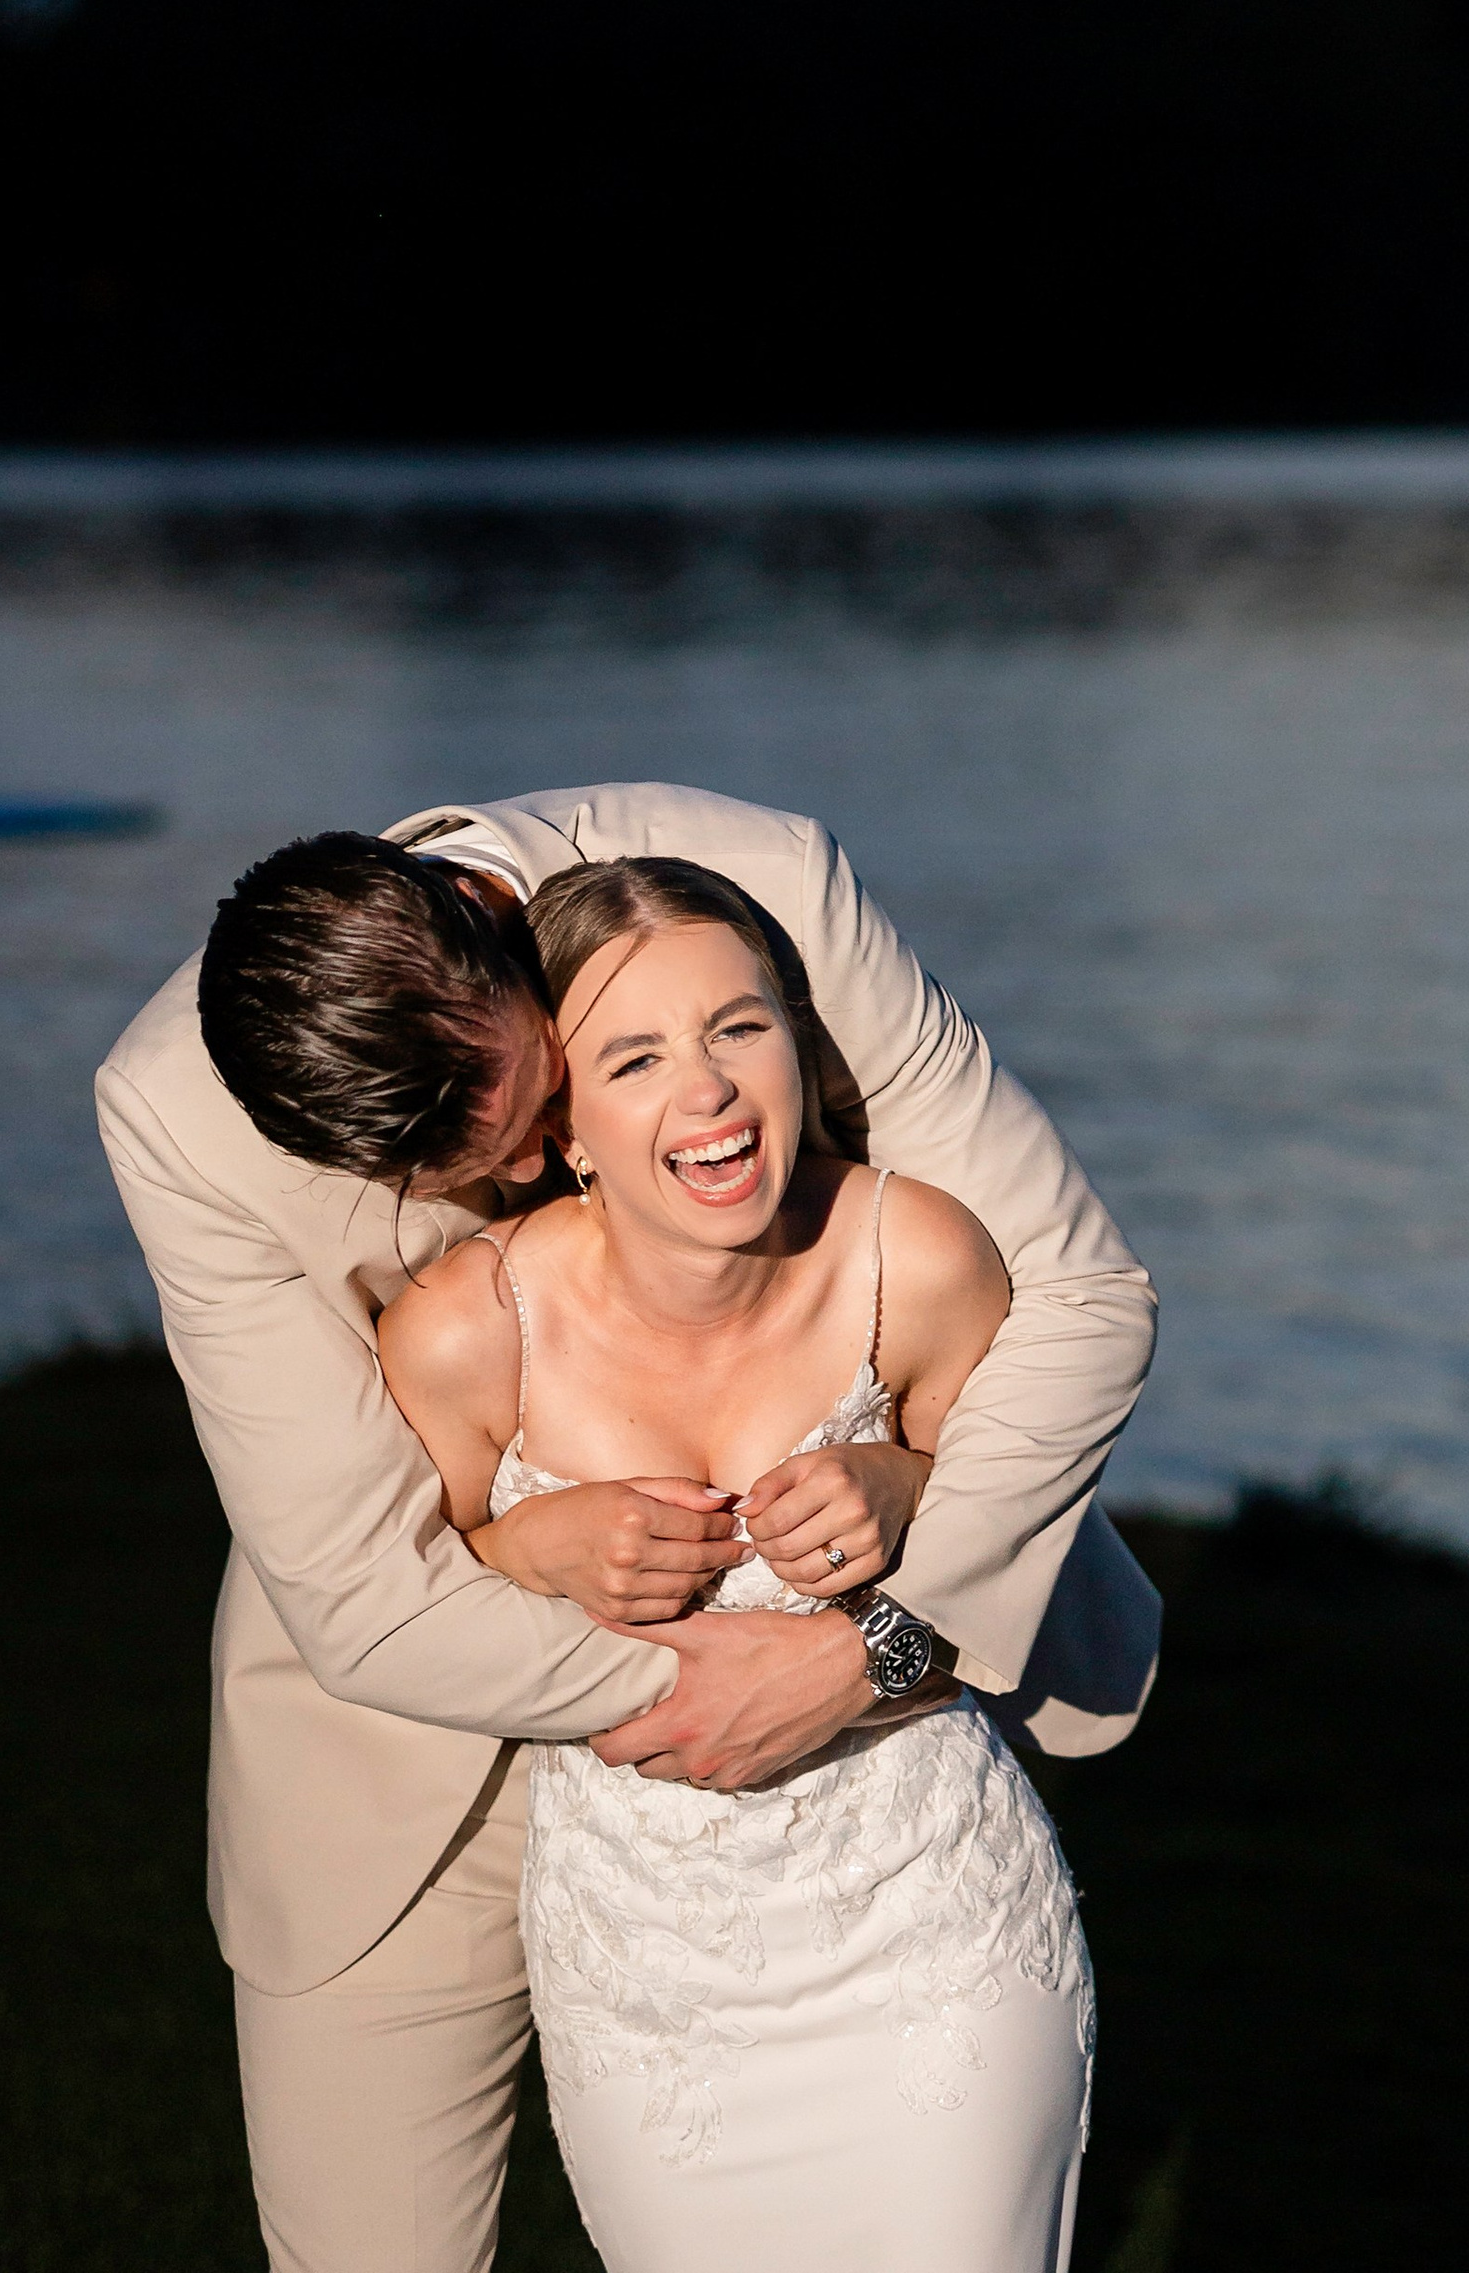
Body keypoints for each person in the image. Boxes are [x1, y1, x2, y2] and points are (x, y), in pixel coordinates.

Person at [95, 779, 1158, 2273]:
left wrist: (876, 1634)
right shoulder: (173, 1115)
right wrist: (570, 1595)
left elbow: (1079, 1296)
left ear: (492, 925)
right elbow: (357, 1589)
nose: (528, 1179)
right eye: (452, 1179)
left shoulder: (757, 889)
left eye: (529, 1116)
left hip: (877, 1763)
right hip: (402, 1759)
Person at [381, 854, 1093, 2271]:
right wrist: (522, 1542)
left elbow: (1025, 1579)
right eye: (635, 1055)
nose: (706, 1088)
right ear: (562, 1122)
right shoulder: (469, 1335)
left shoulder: (918, 1259)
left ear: (798, 1044)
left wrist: (914, 1481)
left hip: (934, 1930)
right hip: (645, 1987)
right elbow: (395, 1604)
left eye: (740, 1026)